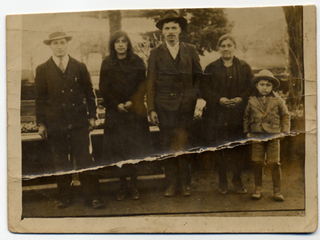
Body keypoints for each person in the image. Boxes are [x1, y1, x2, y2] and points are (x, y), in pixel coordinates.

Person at [35, 31, 104, 209]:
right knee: (60, 161)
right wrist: (41, 123)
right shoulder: (42, 69)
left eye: (62, 42)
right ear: (50, 46)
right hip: (55, 124)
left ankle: (92, 197)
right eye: (55, 43)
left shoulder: (80, 66)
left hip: (79, 123)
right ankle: (65, 197)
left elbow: (90, 94)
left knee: (85, 159)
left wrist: (92, 116)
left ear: (67, 44)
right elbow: (40, 99)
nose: (59, 46)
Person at [146, 10, 203, 197]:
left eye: (174, 28)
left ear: (180, 30)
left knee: (184, 144)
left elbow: (198, 78)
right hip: (164, 108)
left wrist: (194, 99)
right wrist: (152, 109)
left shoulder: (190, 50)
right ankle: (170, 184)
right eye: (167, 28)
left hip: (185, 107)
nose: (170, 31)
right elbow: (150, 82)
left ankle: (185, 184)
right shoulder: (156, 53)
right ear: (162, 31)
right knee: (167, 145)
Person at [99, 30, 152, 201]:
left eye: (124, 41)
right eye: (117, 42)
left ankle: (134, 185)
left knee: (134, 149)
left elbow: (143, 85)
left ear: (128, 44)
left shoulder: (137, 61)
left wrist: (131, 101)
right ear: (113, 45)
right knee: (118, 151)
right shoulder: (107, 63)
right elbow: (104, 88)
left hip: (134, 112)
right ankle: (122, 185)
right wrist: (117, 104)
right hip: (116, 114)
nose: (121, 45)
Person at [200, 34, 254, 194]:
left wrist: (241, 98)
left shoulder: (244, 67)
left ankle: (237, 180)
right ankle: (222, 180)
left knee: (238, 148)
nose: (226, 48)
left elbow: (251, 87)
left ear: (234, 47)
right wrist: (219, 99)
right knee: (220, 148)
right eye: (223, 46)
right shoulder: (210, 68)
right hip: (217, 115)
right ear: (219, 48)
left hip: (238, 115)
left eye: (229, 45)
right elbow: (204, 89)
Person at [244, 69, 290, 201]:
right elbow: (246, 117)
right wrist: (247, 131)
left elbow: (286, 115)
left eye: (268, 85)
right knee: (257, 162)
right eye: (262, 85)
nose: (265, 88)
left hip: (273, 135)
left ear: (272, 86)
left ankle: (277, 191)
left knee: (274, 163)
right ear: (257, 86)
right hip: (257, 135)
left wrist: (284, 131)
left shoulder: (278, 100)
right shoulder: (252, 101)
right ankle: (258, 188)